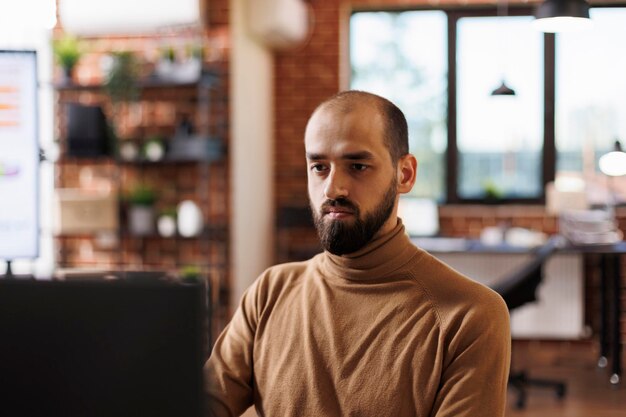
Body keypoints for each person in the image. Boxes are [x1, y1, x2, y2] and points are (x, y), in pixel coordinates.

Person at [205, 91, 511, 416]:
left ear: (404, 174)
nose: (332, 189)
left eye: (358, 166)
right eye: (319, 167)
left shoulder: (470, 316)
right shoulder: (270, 291)